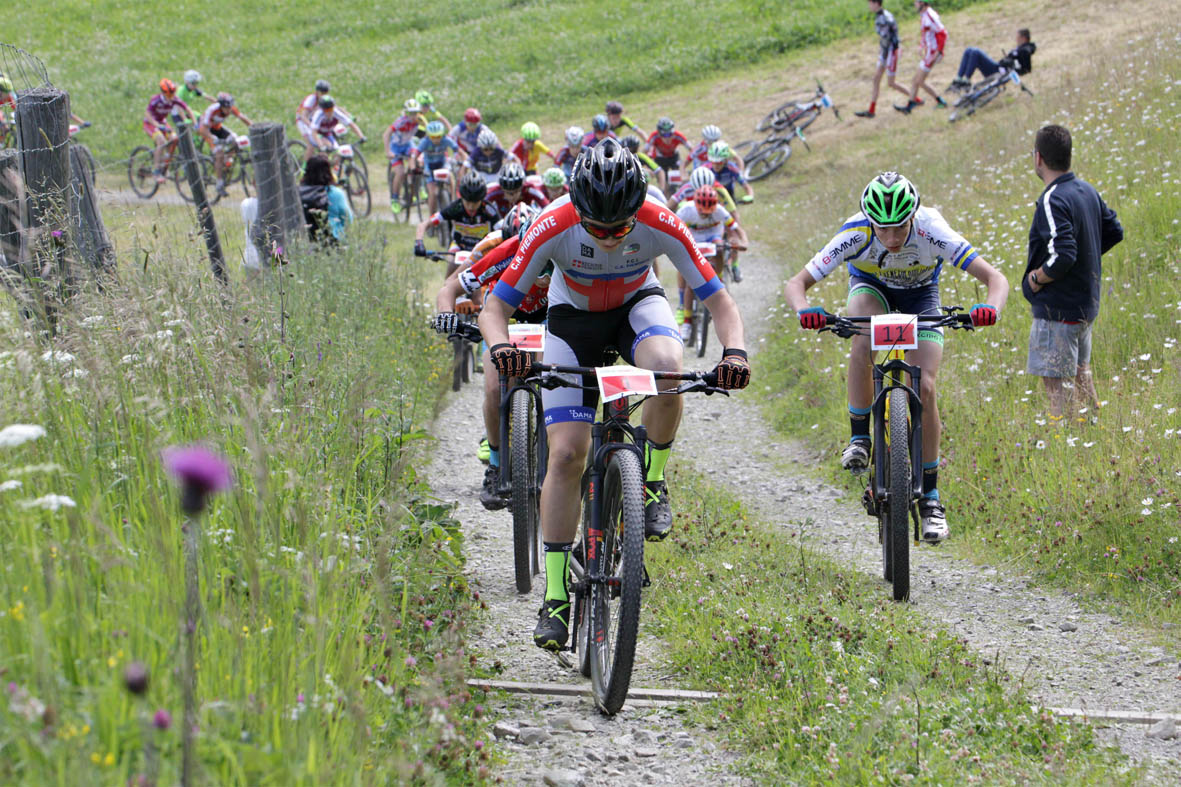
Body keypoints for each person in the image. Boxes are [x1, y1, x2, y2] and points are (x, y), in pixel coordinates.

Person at [477, 139, 751, 651]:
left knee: (669, 370)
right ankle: (556, 596)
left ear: (636, 212)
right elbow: (494, 310)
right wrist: (502, 349)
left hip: (635, 310)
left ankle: (651, 484)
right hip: (571, 324)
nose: (607, 238)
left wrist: (733, 353)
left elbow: (720, 300)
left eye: (620, 228)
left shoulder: (661, 218)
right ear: (577, 210)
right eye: (596, 228)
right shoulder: (553, 223)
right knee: (565, 455)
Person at [784, 172, 1009, 542]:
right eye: (882, 229)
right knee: (862, 337)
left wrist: (990, 308)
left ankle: (932, 499)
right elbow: (797, 284)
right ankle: (860, 438)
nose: (890, 239)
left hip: (922, 297)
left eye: (899, 228)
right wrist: (804, 310)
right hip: (872, 290)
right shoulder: (855, 234)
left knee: (928, 386)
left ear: (913, 218)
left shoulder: (932, 229)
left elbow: (995, 279)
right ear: (870, 221)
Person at [433, 203, 549, 507]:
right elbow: (450, 288)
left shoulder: (560, 250)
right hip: (503, 319)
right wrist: (446, 314)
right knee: (495, 387)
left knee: (553, 381)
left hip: (545, 320)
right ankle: (496, 465)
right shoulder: (501, 250)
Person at [1023, 125, 1122, 421]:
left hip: (1058, 309)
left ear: (1038, 158)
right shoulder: (1086, 190)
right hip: (1084, 306)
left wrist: (1038, 278)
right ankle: (1094, 430)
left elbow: (1064, 252)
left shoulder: (1053, 198)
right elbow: (1114, 230)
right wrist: (1085, 258)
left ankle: (1066, 441)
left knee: (1055, 383)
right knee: (1081, 373)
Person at [675, 185, 750, 338]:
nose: (705, 215)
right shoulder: (686, 211)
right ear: (696, 205)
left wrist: (744, 241)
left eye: (709, 213)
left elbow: (736, 228)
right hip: (693, 240)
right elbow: (673, 231)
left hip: (712, 239)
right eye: (702, 213)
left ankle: (718, 278)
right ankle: (687, 322)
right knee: (691, 283)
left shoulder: (720, 211)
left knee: (720, 248)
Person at [414, 170, 500, 276]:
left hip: (482, 250)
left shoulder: (489, 210)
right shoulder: (455, 208)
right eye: (467, 202)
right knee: (451, 268)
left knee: (478, 285)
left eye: (475, 202)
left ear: (482, 200)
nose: (471, 207)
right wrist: (419, 243)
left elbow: (503, 231)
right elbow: (424, 224)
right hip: (459, 247)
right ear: (462, 198)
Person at [855, 1, 911, 118]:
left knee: (891, 83)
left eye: (870, 3)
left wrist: (883, 58)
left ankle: (914, 97)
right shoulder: (885, 14)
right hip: (887, 52)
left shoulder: (882, 19)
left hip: (890, 53)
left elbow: (887, 39)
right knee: (876, 79)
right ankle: (871, 110)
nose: (869, 6)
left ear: (876, 3)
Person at [895, 1, 948, 114]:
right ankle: (910, 105)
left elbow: (943, 33)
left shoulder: (930, 15)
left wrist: (939, 52)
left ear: (922, 3)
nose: (914, 4)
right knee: (916, 80)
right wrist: (921, 45)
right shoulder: (924, 15)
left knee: (919, 81)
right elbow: (926, 33)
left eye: (916, 2)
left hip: (932, 53)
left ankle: (940, 101)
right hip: (929, 51)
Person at [198, 92, 252, 197]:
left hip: (218, 128)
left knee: (235, 140)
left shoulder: (231, 108)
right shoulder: (212, 110)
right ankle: (219, 183)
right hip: (207, 130)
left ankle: (228, 161)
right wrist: (213, 138)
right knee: (219, 153)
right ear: (221, 106)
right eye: (226, 108)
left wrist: (255, 128)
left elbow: (244, 119)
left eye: (230, 107)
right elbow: (203, 129)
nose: (229, 110)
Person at [949, 28, 1036, 91]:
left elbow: (1025, 66)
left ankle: (966, 80)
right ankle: (959, 79)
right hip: (999, 68)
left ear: (1023, 38)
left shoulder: (1025, 50)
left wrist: (1012, 59)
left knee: (975, 52)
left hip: (998, 71)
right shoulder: (1020, 48)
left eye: (1018, 37)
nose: (1016, 39)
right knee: (969, 50)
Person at [143, 78, 194, 182]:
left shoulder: (174, 99)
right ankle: (156, 171)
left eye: (173, 93)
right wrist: (156, 124)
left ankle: (165, 165)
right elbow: (147, 114)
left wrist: (194, 123)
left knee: (174, 139)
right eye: (169, 94)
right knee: (161, 141)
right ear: (163, 92)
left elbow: (187, 109)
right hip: (150, 123)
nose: (171, 97)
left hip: (162, 122)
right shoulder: (156, 100)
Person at [412, 120, 465, 215]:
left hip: (442, 164)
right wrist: (413, 166)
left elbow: (459, 151)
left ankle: (452, 200)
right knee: (433, 193)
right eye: (433, 137)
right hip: (429, 166)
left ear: (442, 135)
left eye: (438, 137)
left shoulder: (446, 140)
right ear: (428, 136)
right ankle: (432, 218)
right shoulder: (425, 142)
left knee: (451, 177)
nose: (436, 140)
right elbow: (415, 155)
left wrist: (465, 161)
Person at [300, 154, 354, 245]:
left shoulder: (299, 192)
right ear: (328, 172)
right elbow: (348, 219)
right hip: (332, 240)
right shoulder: (335, 193)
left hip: (306, 241)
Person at [385, 98, 424, 214]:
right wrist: (388, 151)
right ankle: (395, 199)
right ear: (406, 113)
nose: (413, 116)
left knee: (417, 161)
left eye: (415, 113)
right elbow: (386, 134)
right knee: (400, 173)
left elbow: (427, 130)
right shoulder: (401, 121)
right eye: (410, 113)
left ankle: (419, 188)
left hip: (408, 144)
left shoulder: (420, 120)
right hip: (396, 147)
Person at [484, 160, 549, 215]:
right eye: (508, 193)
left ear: (522, 187)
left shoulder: (529, 188)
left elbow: (547, 205)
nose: (512, 196)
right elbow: (481, 204)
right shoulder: (495, 190)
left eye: (516, 191)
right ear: (502, 188)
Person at [295, 79, 331, 148]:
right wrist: (312, 127)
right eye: (322, 93)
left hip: (312, 119)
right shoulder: (311, 99)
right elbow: (303, 116)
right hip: (302, 121)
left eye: (326, 93)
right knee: (311, 146)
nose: (324, 95)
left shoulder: (325, 100)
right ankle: (306, 158)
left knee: (325, 140)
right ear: (317, 92)